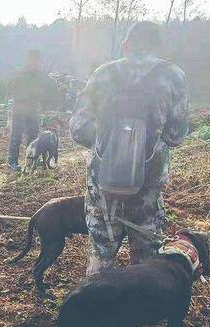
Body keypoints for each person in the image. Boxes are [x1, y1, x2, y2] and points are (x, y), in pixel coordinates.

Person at [70, 21, 189, 276]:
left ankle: (96, 307)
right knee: (147, 260)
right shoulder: (173, 76)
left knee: (101, 255)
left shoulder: (103, 73)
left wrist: (109, 146)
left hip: (102, 186)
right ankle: (143, 311)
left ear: (126, 45)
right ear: (157, 47)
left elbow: (78, 128)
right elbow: (177, 135)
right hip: (147, 186)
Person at [7, 50, 55, 172]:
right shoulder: (20, 73)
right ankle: (12, 161)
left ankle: (32, 160)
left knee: (33, 136)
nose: (35, 62)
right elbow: (11, 88)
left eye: (36, 60)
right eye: (33, 59)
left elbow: (48, 86)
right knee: (16, 136)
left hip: (32, 109)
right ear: (28, 59)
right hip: (19, 108)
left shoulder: (40, 74)